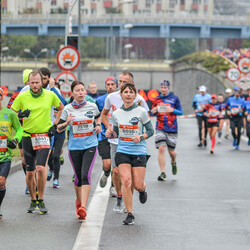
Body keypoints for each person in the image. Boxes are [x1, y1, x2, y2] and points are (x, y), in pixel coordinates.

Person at [12, 71, 64, 214]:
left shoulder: (50, 95)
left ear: (42, 82)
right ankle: (33, 200)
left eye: (37, 82)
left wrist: (55, 124)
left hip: (43, 136)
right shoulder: (22, 96)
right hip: (28, 136)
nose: (34, 85)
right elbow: (12, 114)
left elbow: (61, 108)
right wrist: (20, 115)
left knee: (41, 168)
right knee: (30, 172)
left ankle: (40, 199)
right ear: (28, 82)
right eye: (32, 82)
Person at [105, 83, 154, 225]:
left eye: (130, 92)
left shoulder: (141, 112)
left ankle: (142, 189)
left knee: (137, 185)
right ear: (121, 95)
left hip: (139, 151)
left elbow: (150, 131)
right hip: (123, 151)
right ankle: (130, 213)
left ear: (135, 95)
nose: (128, 94)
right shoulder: (116, 114)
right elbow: (116, 132)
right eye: (125, 92)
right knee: (126, 181)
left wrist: (141, 137)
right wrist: (110, 133)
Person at [57, 81, 102, 221]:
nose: (81, 92)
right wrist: (66, 122)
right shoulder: (67, 109)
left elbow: (98, 116)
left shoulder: (92, 106)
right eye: (78, 90)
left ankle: (83, 206)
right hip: (74, 146)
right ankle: (78, 201)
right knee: (77, 177)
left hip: (90, 145)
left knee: (85, 175)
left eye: (83, 90)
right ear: (72, 93)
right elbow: (59, 128)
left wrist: (98, 125)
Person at [7, 68, 33, 194]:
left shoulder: (41, 92)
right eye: (29, 80)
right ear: (25, 81)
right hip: (22, 129)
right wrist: (21, 114)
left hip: (36, 130)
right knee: (24, 159)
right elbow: (9, 112)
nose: (32, 83)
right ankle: (29, 181)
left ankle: (36, 180)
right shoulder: (18, 94)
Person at [151, 80, 183, 181]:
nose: (163, 89)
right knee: (161, 148)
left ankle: (173, 162)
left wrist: (172, 110)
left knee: (171, 152)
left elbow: (181, 112)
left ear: (168, 88)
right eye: (162, 87)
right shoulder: (157, 99)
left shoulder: (174, 98)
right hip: (160, 127)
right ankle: (163, 172)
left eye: (165, 88)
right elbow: (152, 112)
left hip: (172, 128)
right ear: (160, 88)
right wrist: (154, 110)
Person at [0, 88, 23, 219]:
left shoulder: (9, 114)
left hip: (5, 154)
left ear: (2, 97)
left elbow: (19, 129)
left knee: (2, 181)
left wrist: (16, 139)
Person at [96, 77, 117, 189]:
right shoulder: (100, 100)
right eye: (108, 84)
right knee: (107, 164)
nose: (110, 87)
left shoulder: (120, 99)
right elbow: (96, 116)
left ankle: (113, 187)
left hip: (118, 137)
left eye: (112, 84)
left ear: (116, 86)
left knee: (116, 164)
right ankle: (106, 173)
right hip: (104, 136)